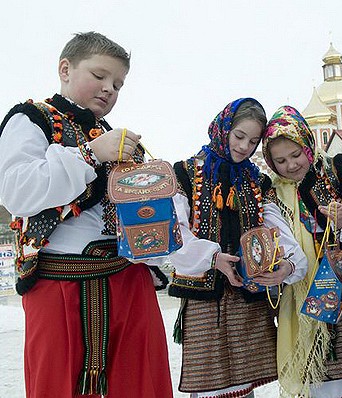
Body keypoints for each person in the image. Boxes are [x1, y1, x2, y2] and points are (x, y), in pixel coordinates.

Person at [0, 32, 172, 397]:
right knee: (60, 385)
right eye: (99, 75)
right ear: (65, 69)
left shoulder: (112, 136)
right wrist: (91, 155)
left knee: (139, 385)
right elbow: (17, 192)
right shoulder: (31, 119)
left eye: (118, 84)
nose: (109, 88)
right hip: (62, 284)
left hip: (128, 278)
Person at [166, 98, 308, 398]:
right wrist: (212, 257)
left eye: (254, 141)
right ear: (224, 129)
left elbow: (278, 232)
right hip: (204, 299)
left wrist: (288, 265)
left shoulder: (256, 182)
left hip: (247, 299)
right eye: (239, 136)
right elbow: (174, 234)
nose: (245, 146)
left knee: (244, 390)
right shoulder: (185, 174)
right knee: (209, 389)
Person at [262, 105, 342, 398]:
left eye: (295, 155)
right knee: (315, 383)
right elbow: (280, 240)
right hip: (303, 296)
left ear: (308, 145)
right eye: (280, 161)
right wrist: (286, 267)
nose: (291, 166)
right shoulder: (272, 194)